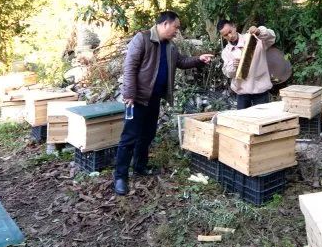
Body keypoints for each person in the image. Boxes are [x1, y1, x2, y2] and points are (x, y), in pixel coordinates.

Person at [114, 11, 214, 196]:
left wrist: (199, 60)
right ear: (165, 24)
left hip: (154, 97)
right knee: (129, 137)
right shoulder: (142, 39)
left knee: (148, 134)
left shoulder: (170, 46)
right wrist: (129, 93)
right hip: (136, 98)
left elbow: (182, 62)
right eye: (176, 27)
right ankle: (120, 177)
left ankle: (139, 166)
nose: (177, 31)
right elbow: (130, 66)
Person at [218, 19, 277, 109]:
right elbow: (228, 74)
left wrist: (259, 32)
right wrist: (233, 66)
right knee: (242, 122)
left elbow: (272, 37)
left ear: (234, 26)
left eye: (230, 31)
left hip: (260, 90)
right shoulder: (226, 52)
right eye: (226, 35)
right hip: (242, 94)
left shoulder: (253, 37)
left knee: (263, 120)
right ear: (223, 36)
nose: (230, 36)